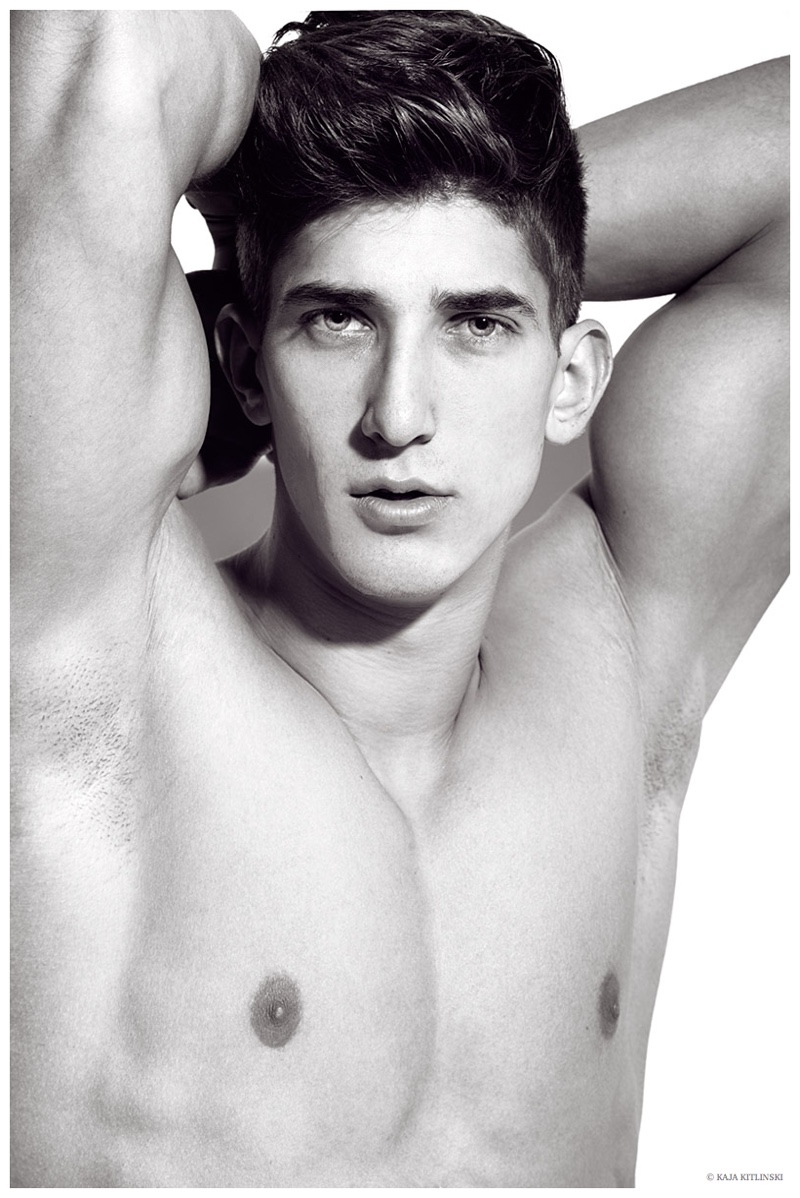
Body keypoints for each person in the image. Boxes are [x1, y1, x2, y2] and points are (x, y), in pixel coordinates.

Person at [10, 8, 788, 1188]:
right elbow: (99, 47)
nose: (399, 414)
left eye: (478, 324)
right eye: (337, 320)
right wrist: (299, 224)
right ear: (243, 364)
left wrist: (517, 222)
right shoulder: (96, 660)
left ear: (569, 375)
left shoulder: (621, 659)